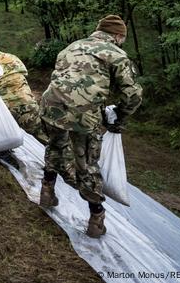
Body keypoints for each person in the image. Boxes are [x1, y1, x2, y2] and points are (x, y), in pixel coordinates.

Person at [38, 15, 142, 239]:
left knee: (55, 146)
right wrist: (118, 118)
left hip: (50, 105)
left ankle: (46, 191)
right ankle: (96, 219)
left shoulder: (71, 46)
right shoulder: (117, 54)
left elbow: (62, 78)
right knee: (86, 164)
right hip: (83, 114)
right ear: (118, 35)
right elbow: (133, 95)